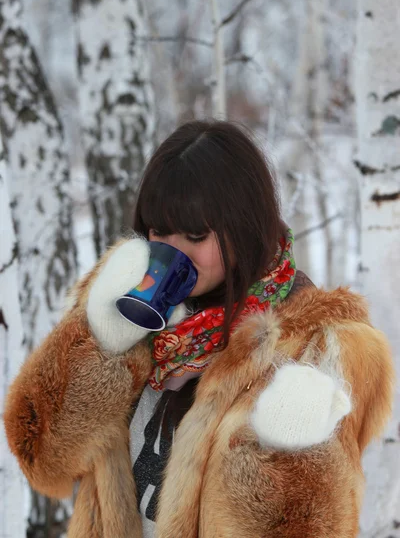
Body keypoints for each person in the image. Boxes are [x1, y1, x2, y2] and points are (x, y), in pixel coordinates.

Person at [4, 120, 394, 538]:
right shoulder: (127, 297)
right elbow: (43, 460)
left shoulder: (319, 346)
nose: (172, 252)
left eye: (194, 235)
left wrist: (287, 451)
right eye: (159, 231)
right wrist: (97, 342)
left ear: (245, 227)